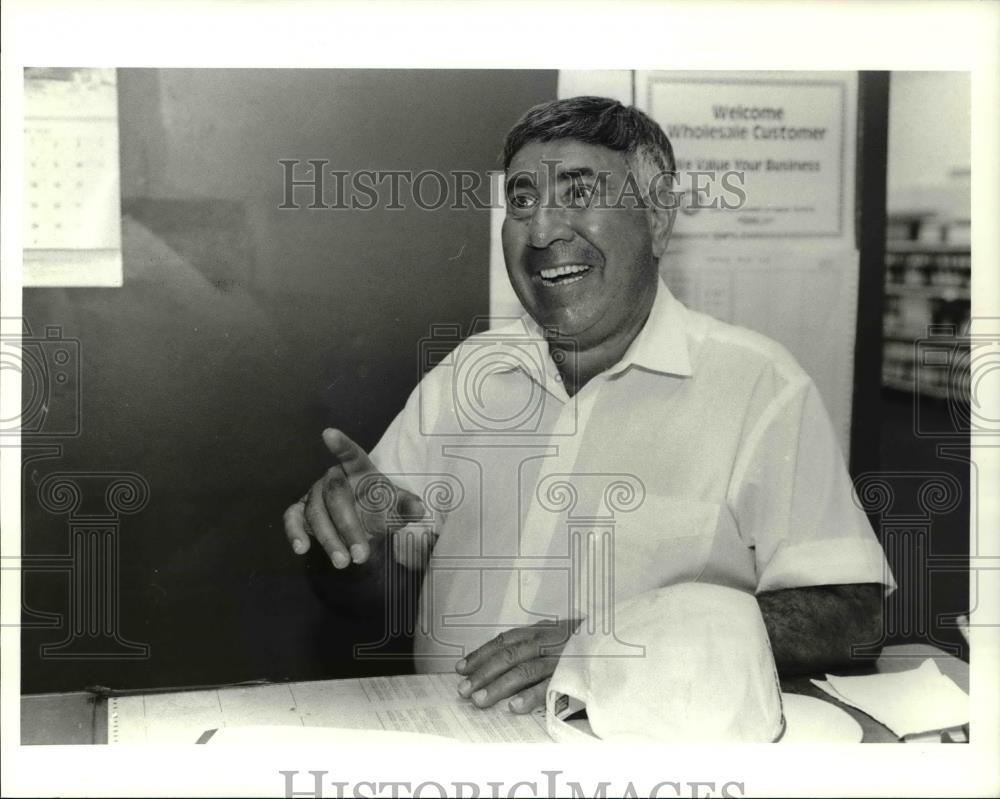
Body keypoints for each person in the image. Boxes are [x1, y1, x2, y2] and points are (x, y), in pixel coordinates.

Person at [283, 96, 895, 716]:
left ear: (657, 217)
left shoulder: (760, 387)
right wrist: (352, 546)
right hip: (449, 750)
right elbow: (370, 599)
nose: (544, 230)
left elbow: (851, 615)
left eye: (579, 195)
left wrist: (612, 642)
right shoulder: (467, 376)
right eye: (522, 201)